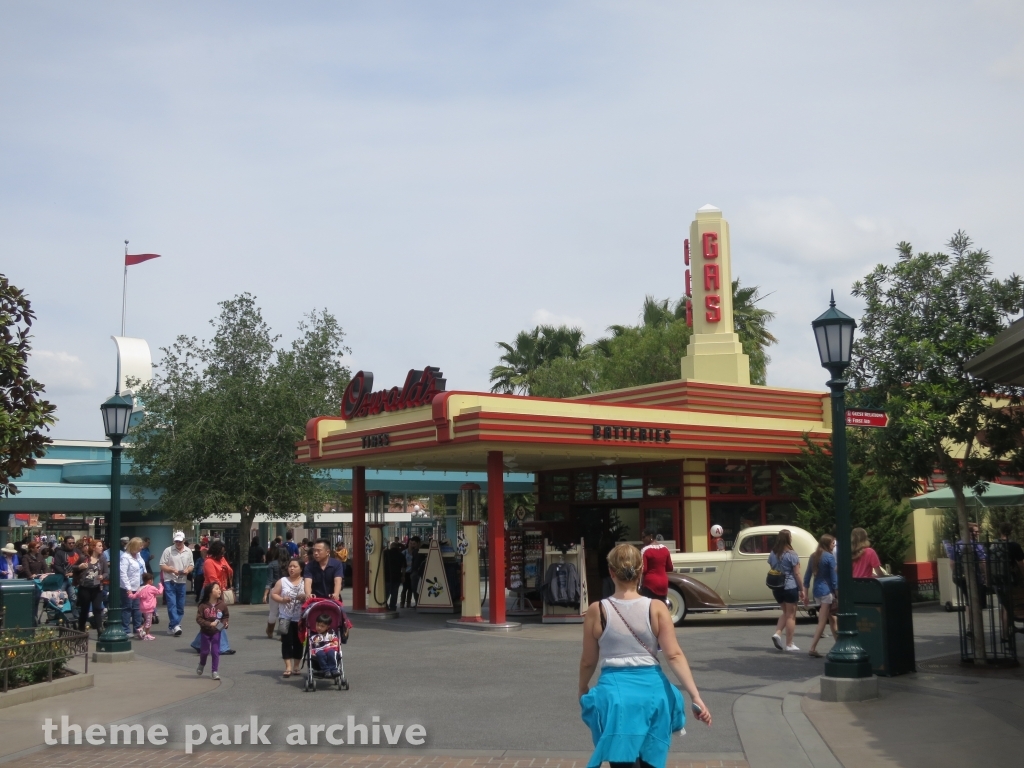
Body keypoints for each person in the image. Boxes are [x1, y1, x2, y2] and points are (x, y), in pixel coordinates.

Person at [578, 543, 711, 768]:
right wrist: (695, 696)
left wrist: (582, 688)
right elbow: (674, 655)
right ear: (641, 571)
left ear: (611, 572)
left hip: (615, 695)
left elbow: (588, 661)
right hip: (653, 693)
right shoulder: (657, 608)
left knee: (621, 760)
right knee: (651, 759)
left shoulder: (597, 610)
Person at [190, 541, 234, 654]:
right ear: (215, 551)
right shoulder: (208, 562)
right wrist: (220, 590)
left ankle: (198, 643)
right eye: (221, 552)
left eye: (224, 552)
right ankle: (223, 647)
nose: (222, 554)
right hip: (209, 593)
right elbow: (212, 579)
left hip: (219, 591)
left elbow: (230, 571)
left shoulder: (222, 559)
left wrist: (226, 568)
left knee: (215, 620)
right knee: (216, 619)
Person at [768, 529, 805, 652]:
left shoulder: (773, 553)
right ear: (788, 539)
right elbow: (797, 573)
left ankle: (777, 633)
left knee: (785, 612)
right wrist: (802, 589)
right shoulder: (792, 554)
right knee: (791, 616)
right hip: (790, 586)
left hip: (777, 587)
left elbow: (772, 566)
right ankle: (789, 644)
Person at [803, 534, 838, 658]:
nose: (834, 546)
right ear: (827, 544)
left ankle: (838, 644)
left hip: (817, 591)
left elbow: (807, 576)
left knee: (832, 619)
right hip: (827, 592)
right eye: (833, 543)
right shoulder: (829, 557)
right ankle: (812, 648)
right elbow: (834, 579)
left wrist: (805, 594)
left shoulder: (813, 556)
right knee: (823, 620)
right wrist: (837, 594)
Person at [271, 558, 306, 676]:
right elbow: (274, 594)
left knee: (299, 642)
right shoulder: (283, 581)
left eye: (295, 566)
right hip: (284, 616)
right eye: (290, 566)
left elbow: (310, 595)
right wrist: (282, 599)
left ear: (301, 568)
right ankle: (288, 667)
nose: (291, 569)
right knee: (286, 641)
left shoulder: (305, 581)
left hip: (300, 617)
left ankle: (296, 666)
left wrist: (304, 597)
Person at [159, 531, 194, 637]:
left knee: (180, 606)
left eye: (180, 541)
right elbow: (162, 565)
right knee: (172, 604)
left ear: (184, 540)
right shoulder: (168, 550)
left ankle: (172, 626)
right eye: (176, 541)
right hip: (170, 580)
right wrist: (171, 570)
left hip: (182, 581)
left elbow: (191, 565)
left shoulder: (188, 551)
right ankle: (176, 625)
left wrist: (188, 570)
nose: (178, 543)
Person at [196, 582, 229, 681]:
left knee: (215, 651)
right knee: (204, 651)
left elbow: (225, 616)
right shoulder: (203, 605)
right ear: (210, 592)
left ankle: (215, 671)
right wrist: (209, 624)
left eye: (219, 589)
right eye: (217, 589)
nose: (219, 591)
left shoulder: (222, 605)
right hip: (205, 631)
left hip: (216, 631)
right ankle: (202, 663)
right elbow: (199, 619)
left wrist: (224, 624)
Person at [74, 540, 108, 635]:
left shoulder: (102, 559)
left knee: (97, 609)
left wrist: (102, 576)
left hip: (97, 588)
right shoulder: (84, 558)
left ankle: (100, 631)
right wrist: (79, 567)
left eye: (102, 546)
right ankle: (81, 629)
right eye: (99, 546)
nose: (102, 548)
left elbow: (106, 572)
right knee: (84, 609)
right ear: (93, 547)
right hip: (85, 587)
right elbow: (73, 567)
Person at [120, 537, 147, 637]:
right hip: (129, 587)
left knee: (137, 608)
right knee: (127, 607)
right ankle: (126, 630)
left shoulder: (138, 555)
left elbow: (143, 568)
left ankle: (137, 628)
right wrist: (128, 588)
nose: (141, 547)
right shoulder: (125, 557)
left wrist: (146, 583)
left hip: (139, 585)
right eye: (140, 546)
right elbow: (123, 573)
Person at [639, 528, 673, 605]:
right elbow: (670, 567)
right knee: (662, 606)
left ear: (650, 536)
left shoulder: (645, 550)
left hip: (650, 584)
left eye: (644, 537)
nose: (642, 539)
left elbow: (643, 569)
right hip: (663, 582)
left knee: (649, 607)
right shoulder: (665, 549)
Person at [308, 612, 346, 678]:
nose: (319, 627)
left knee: (331, 653)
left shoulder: (330, 633)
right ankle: (326, 670)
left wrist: (335, 642)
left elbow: (335, 640)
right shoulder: (313, 634)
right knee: (320, 654)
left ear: (327, 627)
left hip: (330, 648)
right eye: (317, 625)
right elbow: (311, 644)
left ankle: (334, 669)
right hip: (319, 649)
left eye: (322, 626)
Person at [130, 572, 164, 640]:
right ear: (150, 581)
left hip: (143, 607)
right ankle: (147, 634)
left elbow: (134, 596)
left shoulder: (141, 588)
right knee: (149, 622)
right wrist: (161, 586)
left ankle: (141, 628)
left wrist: (130, 594)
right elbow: (159, 592)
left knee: (147, 620)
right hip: (150, 607)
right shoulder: (152, 588)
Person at [383, 539, 406, 611]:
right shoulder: (401, 555)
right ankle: (393, 607)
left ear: (391, 546)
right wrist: (403, 576)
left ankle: (384, 605)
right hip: (397, 577)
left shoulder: (386, 553)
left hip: (387, 576)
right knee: (394, 593)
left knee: (386, 593)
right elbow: (403, 567)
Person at [408, 536, 426, 607]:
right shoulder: (416, 551)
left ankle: (418, 603)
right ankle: (418, 602)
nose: (413, 545)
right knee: (415, 588)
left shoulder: (420, 551)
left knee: (416, 588)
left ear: (418, 543)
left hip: (417, 572)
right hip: (416, 572)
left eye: (414, 544)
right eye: (411, 544)